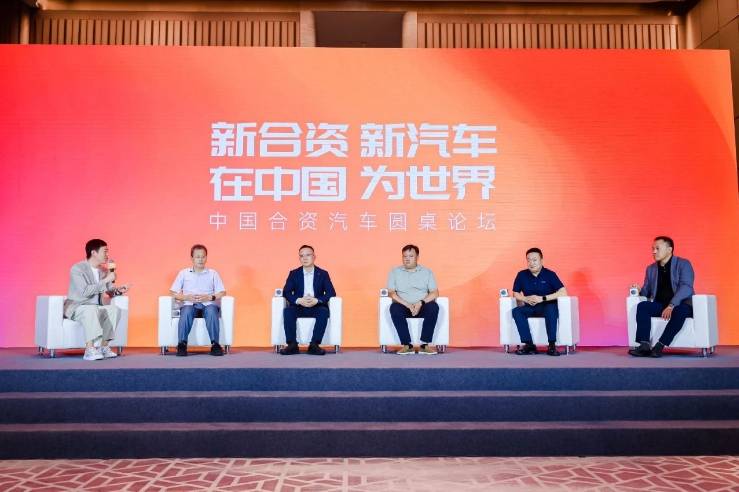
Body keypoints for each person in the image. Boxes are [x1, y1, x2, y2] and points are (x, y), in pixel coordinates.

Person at [64, 239, 130, 361]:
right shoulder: (77, 269)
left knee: (114, 310)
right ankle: (89, 350)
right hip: (78, 306)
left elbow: (109, 291)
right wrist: (105, 280)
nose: (107, 255)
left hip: (96, 307)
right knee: (90, 309)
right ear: (94, 253)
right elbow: (85, 292)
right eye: (105, 251)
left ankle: (103, 347)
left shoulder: (104, 271)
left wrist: (119, 290)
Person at [628, 236, 695, 358]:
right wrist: (639, 290)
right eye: (653, 249)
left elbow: (686, 287)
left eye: (657, 248)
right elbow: (647, 292)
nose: (654, 252)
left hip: (681, 304)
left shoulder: (683, 264)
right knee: (643, 306)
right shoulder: (651, 269)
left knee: (680, 311)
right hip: (661, 305)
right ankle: (644, 345)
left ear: (669, 250)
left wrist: (671, 305)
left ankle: (660, 345)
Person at [169, 244, 226, 356]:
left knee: (211, 310)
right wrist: (186, 297)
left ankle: (215, 345)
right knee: (187, 311)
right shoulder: (184, 273)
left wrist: (210, 297)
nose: (200, 259)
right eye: (197, 257)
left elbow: (222, 292)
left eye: (203, 257)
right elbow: (172, 292)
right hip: (190, 304)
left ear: (206, 258)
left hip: (208, 304)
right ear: (192, 258)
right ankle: (182, 345)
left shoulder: (213, 273)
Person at [279, 245, 336, 356]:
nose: (304, 258)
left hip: (316, 306)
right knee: (288, 311)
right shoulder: (294, 273)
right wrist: (298, 300)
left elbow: (331, 292)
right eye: (301, 256)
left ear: (314, 257)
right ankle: (292, 345)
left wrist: (317, 300)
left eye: (308, 255)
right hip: (299, 306)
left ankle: (314, 345)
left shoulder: (323, 274)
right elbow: (286, 292)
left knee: (324, 312)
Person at [510, 247, 568, 356]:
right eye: (528, 260)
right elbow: (515, 293)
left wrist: (542, 298)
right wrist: (525, 299)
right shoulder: (521, 275)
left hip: (546, 306)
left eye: (534, 260)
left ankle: (551, 345)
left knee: (551, 308)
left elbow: (563, 292)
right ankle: (529, 345)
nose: (531, 263)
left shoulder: (550, 274)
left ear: (541, 260)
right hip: (530, 307)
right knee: (516, 311)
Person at [387, 244, 440, 355]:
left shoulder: (427, 272)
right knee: (394, 308)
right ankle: (407, 345)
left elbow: (435, 292)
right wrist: (407, 304)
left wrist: (420, 303)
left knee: (433, 307)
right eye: (404, 256)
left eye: (411, 256)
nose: (407, 259)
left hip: (422, 306)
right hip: (403, 306)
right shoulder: (394, 272)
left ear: (417, 257)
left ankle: (424, 345)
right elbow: (391, 293)